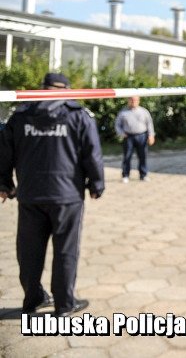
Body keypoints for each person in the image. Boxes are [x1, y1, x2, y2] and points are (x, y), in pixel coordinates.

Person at [0, 72, 104, 316]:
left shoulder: (20, 116)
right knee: (65, 250)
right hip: (66, 197)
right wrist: (96, 184)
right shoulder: (78, 115)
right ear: (66, 89)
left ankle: (33, 298)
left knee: (29, 250)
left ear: (42, 87)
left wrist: (4, 184)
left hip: (30, 195)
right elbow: (93, 153)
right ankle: (64, 304)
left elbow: (4, 153)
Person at [114, 96, 155, 183]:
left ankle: (143, 175)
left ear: (139, 101)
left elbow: (149, 124)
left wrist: (151, 135)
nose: (133, 101)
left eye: (135, 100)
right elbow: (117, 124)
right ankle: (125, 175)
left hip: (142, 136)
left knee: (142, 156)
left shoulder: (144, 111)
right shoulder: (123, 112)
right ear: (128, 101)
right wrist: (121, 133)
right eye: (131, 100)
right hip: (128, 137)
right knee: (127, 157)